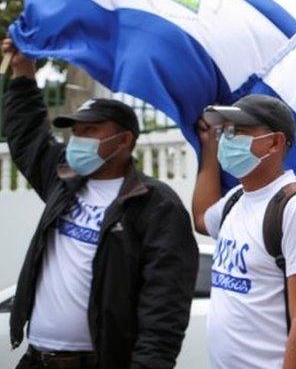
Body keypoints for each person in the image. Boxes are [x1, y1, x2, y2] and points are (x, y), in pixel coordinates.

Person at [1, 38, 198, 369]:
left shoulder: (156, 206)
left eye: (90, 130)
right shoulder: (63, 180)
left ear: (124, 141)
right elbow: (26, 134)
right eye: (75, 131)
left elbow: (164, 310)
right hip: (37, 359)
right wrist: (23, 70)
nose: (77, 140)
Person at [192, 95, 296, 369]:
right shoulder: (235, 199)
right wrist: (209, 149)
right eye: (225, 131)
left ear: (275, 142)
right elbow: (200, 218)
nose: (227, 140)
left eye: (239, 131)